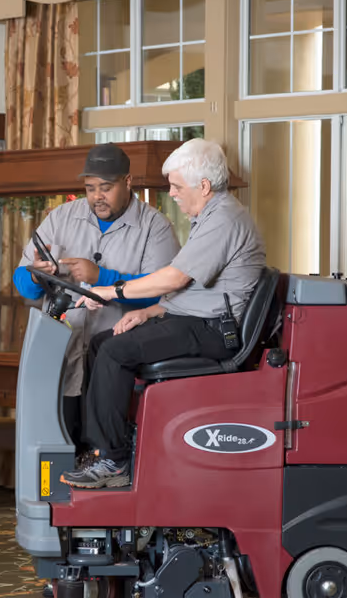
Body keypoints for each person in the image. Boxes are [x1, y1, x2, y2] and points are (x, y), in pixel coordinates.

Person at [59, 138, 266, 489]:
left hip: (214, 330)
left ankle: (114, 461)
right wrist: (150, 312)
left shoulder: (225, 218)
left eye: (176, 185)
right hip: (196, 320)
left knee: (113, 351)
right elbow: (191, 289)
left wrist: (111, 291)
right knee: (101, 343)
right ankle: (105, 450)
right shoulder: (210, 216)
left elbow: (174, 276)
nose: (171, 193)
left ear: (203, 186)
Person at [12, 142, 180, 459]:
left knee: (105, 449)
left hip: (117, 357)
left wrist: (101, 276)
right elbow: (24, 286)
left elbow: (166, 295)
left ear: (128, 182)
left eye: (106, 187)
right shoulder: (60, 218)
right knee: (58, 443)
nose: (97, 197)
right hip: (60, 353)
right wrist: (36, 275)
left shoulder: (155, 227)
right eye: (90, 188)